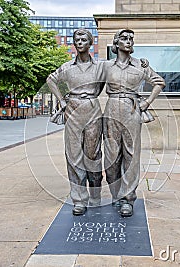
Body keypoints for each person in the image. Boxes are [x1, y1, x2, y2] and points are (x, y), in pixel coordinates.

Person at [102, 29, 165, 217]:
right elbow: (92, 85)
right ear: (116, 43)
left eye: (131, 39)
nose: (128, 41)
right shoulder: (105, 66)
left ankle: (128, 198)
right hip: (111, 109)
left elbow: (159, 82)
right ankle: (116, 192)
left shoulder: (141, 65)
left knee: (131, 155)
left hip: (132, 110)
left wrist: (146, 102)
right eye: (124, 38)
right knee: (111, 158)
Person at [47, 29, 104, 216]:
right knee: (73, 156)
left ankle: (95, 192)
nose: (79, 42)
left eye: (83, 39)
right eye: (76, 39)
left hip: (92, 110)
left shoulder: (100, 67)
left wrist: (142, 63)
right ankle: (79, 199)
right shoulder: (67, 67)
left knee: (93, 155)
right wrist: (61, 101)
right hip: (73, 110)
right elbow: (51, 80)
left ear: (90, 43)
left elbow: (120, 69)